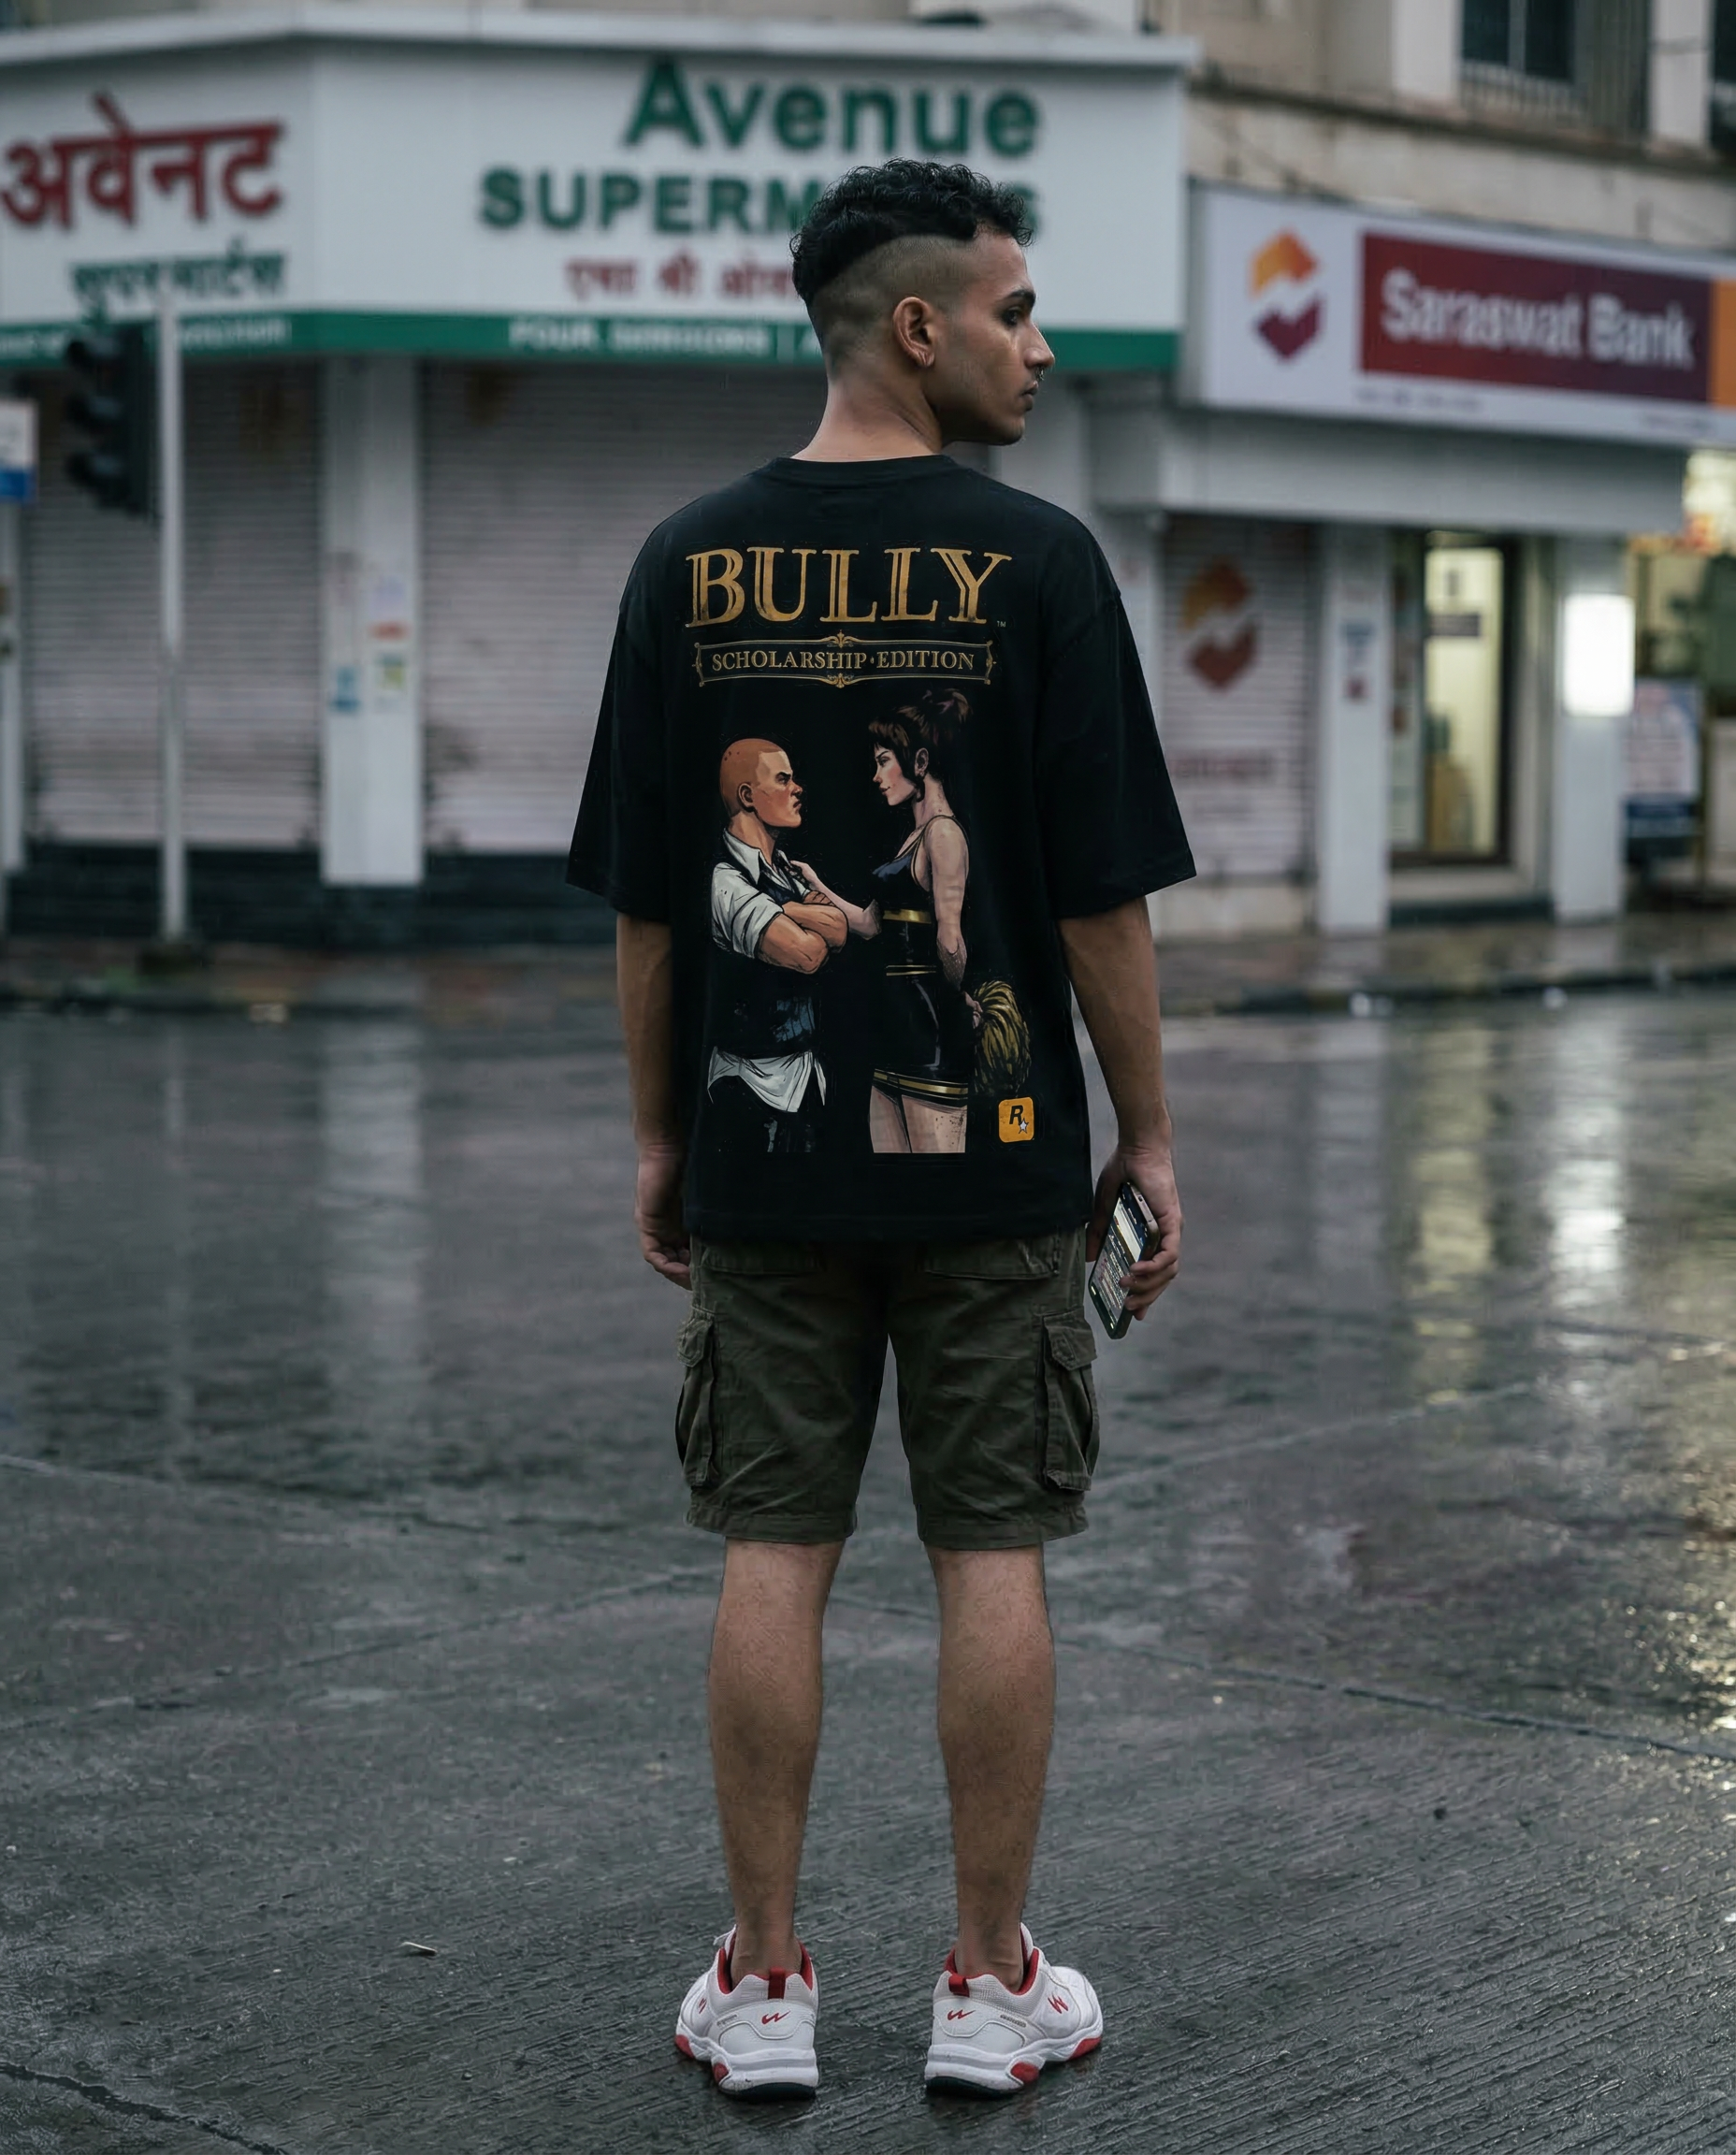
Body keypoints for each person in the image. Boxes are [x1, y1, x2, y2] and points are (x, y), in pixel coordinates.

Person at [567, 157, 1195, 2103]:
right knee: (985, 1552)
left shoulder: (687, 559)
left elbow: (655, 908)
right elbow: (1097, 900)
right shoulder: (1044, 567)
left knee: (778, 1548)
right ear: (916, 326)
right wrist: (1148, 1139)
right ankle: (989, 1986)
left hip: (768, 1166)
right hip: (994, 1163)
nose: (1040, 341)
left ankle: (760, 1992)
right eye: (1016, 309)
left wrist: (661, 1139)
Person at [795, 690, 987, 1156]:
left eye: (884, 761)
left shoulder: (943, 834)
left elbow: (950, 937)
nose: (877, 777)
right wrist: (815, 883)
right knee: (894, 1175)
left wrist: (958, 1002)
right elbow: (869, 924)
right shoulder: (914, 837)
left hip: (929, 1030)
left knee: (935, 1185)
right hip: (895, 1027)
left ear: (920, 761)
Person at [706, 737, 846, 1157]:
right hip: (748, 1086)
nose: (797, 788)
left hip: (804, 1079)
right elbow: (806, 955)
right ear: (748, 796)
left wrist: (784, 907)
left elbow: (838, 928)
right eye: (783, 780)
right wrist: (802, 911)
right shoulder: (725, 880)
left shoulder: (782, 869)